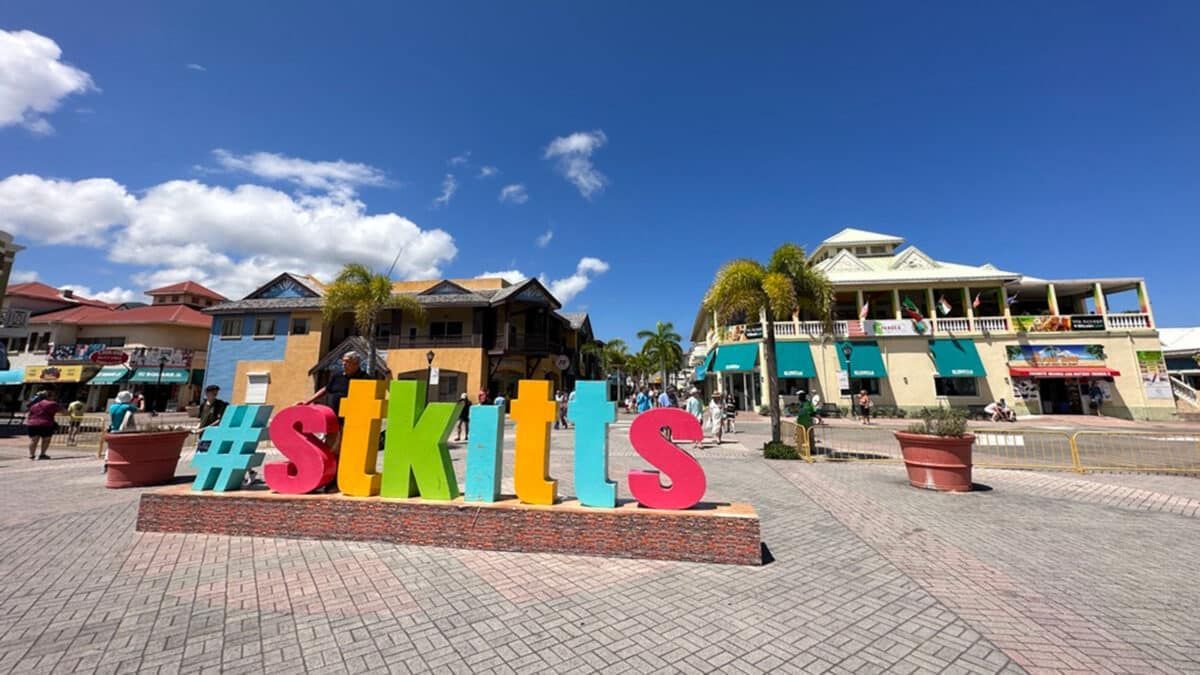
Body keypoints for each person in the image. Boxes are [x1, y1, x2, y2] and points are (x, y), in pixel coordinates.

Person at [298, 351, 372, 490]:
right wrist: (308, 401)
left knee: (346, 452)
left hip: (352, 422)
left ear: (356, 363)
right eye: (343, 361)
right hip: (334, 421)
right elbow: (326, 389)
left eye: (347, 362)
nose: (344, 364)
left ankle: (342, 480)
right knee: (330, 450)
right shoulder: (337, 376)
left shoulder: (365, 379)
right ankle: (328, 479)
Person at [26, 390, 59, 460]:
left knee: (33, 440)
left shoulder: (34, 405)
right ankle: (42, 454)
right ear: (50, 397)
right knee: (46, 439)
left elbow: (29, 414)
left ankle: (31, 455)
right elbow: (63, 411)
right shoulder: (52, 403)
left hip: (32, 424)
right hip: (46, 424)